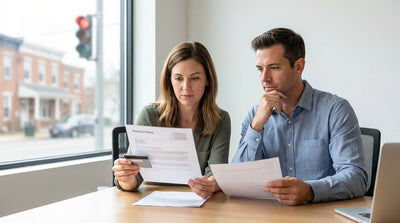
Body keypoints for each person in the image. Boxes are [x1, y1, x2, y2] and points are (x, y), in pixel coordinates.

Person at [232, 28, 367, 205]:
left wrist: (310, 191)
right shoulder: (255, 115)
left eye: (274, 68)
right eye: (260, 69)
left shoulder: (335, 110)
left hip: (321, 215)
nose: (264, 78)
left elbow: (356, 177)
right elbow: (236, 180)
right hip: (269, 216)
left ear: (298, 66)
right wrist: (256, 125)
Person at [112, 41, 231, 198]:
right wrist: (126, 177)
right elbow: (134, 179)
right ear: (169, 80)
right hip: (151, 203)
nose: (186, 87)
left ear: (207, 80)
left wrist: (211, 184)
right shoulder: (149, 115)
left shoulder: (220, 119)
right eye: (178, 78)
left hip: (199, 205)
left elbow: (215, 174)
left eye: (194, 78)